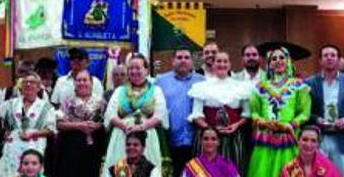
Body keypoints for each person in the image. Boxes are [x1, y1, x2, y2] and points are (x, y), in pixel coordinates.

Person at [246, 47, 311, 177]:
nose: (278, 61)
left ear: (288, 61)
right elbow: (254, 112)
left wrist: (291, 125)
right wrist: (261, 121)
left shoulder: (299, 85)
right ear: (269, 64)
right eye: (273, 59)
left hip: (288, 138)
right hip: (265, 139)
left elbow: (305, 112)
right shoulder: (260, 87)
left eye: (282, 57)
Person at [103, 53, 170, 175]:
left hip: (147, 137)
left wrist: (141, 127)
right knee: (120, 170)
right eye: (131, 68)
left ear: (146, 70)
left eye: (138, 68)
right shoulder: (119, 91)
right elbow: (110, 114)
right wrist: (125, 127)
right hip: (122, 136)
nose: (134, 71)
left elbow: (159, 115)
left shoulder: (156, 91)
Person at [189, 51, 251, 174]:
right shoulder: (201, 87)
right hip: (208, 138)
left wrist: (236, 125)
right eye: (218, 61)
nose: (222, 64)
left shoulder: (241, 87)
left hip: (233, 139)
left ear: (230, 65)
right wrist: (210, 129)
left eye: (225, 61)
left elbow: (247, 114)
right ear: (213, 64)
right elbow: (196, 115)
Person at [306, 45, 344, 177]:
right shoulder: (309, 83)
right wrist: (316, 119)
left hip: (343, 137)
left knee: (342, 174)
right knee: (317, 173)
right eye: (325, 55)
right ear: (320, 61)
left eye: (333, 55)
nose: (329, 58)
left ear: (339, 60)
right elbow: (304, 111)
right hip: (319, 137)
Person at [0, 72, 56, 177]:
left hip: (34, 147)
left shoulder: (46, 107)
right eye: (25, 82)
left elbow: (51, 130)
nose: (28, 84)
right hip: (12, 148)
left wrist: (34, 134)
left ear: (38, 87)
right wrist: (4, 131)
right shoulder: (10, 104)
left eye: (32, 82)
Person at [157, 48, 205, 176]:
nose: (183, 60)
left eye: (186, 57)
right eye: (179, 57)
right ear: (173, 61)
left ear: (191, 62)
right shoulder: (161, 82)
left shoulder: (202, 81)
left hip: (195, 141)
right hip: (170, 140)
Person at [54, 69, 107, 177]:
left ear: (91, 83)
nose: (82, 83)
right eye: (78, 80)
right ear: (74, 83)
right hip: (71, 147)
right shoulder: (67, 101)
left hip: (94, 149)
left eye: (85, 80)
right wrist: (78, 126)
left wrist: (97, 126)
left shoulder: (101, 102)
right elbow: (59, 124)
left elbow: (106, 123)